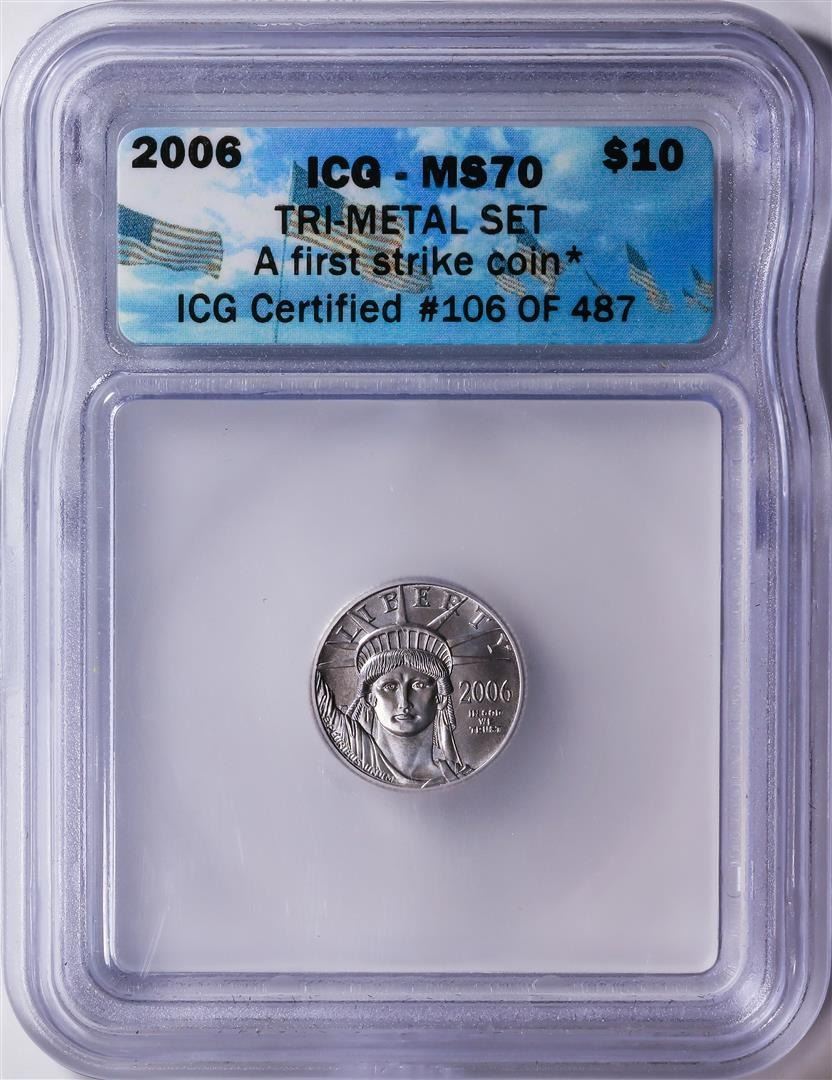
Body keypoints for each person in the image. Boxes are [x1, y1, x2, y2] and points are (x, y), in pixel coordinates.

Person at [315, 624, 470, 786]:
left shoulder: (460, 776)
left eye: (419, 685)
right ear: (369, 698)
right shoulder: (360, 755)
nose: (404, 702)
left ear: (440, 698)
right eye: (389, 687)